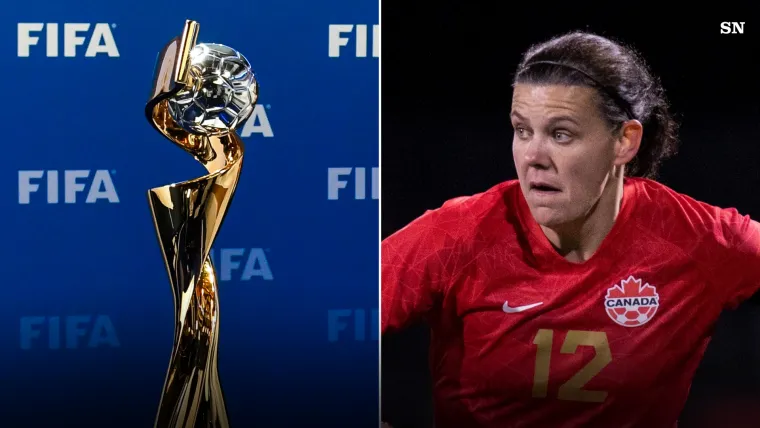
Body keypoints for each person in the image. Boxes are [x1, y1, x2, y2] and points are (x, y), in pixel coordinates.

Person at [381, 30, 760, 428]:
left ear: (625, 142)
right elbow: (321, 320)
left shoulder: (695, 239)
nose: (533, 157)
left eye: (561, 134)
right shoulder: (458, 235)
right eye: (522, 130)